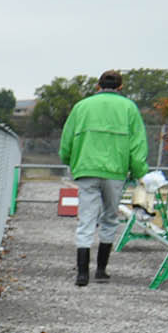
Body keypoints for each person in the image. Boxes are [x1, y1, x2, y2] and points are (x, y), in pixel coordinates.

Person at [59, 70, 148, 286]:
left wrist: (69, 160)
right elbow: (137, 144)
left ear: (98, 86)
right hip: (115, 171)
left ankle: (82, 274)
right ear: (120, 87)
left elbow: (67, 139)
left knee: (86, 220)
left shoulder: (82, 106)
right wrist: (139, 172)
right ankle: (101, 269)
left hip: (87, 169)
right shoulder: (129, 108)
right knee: (109, 217)